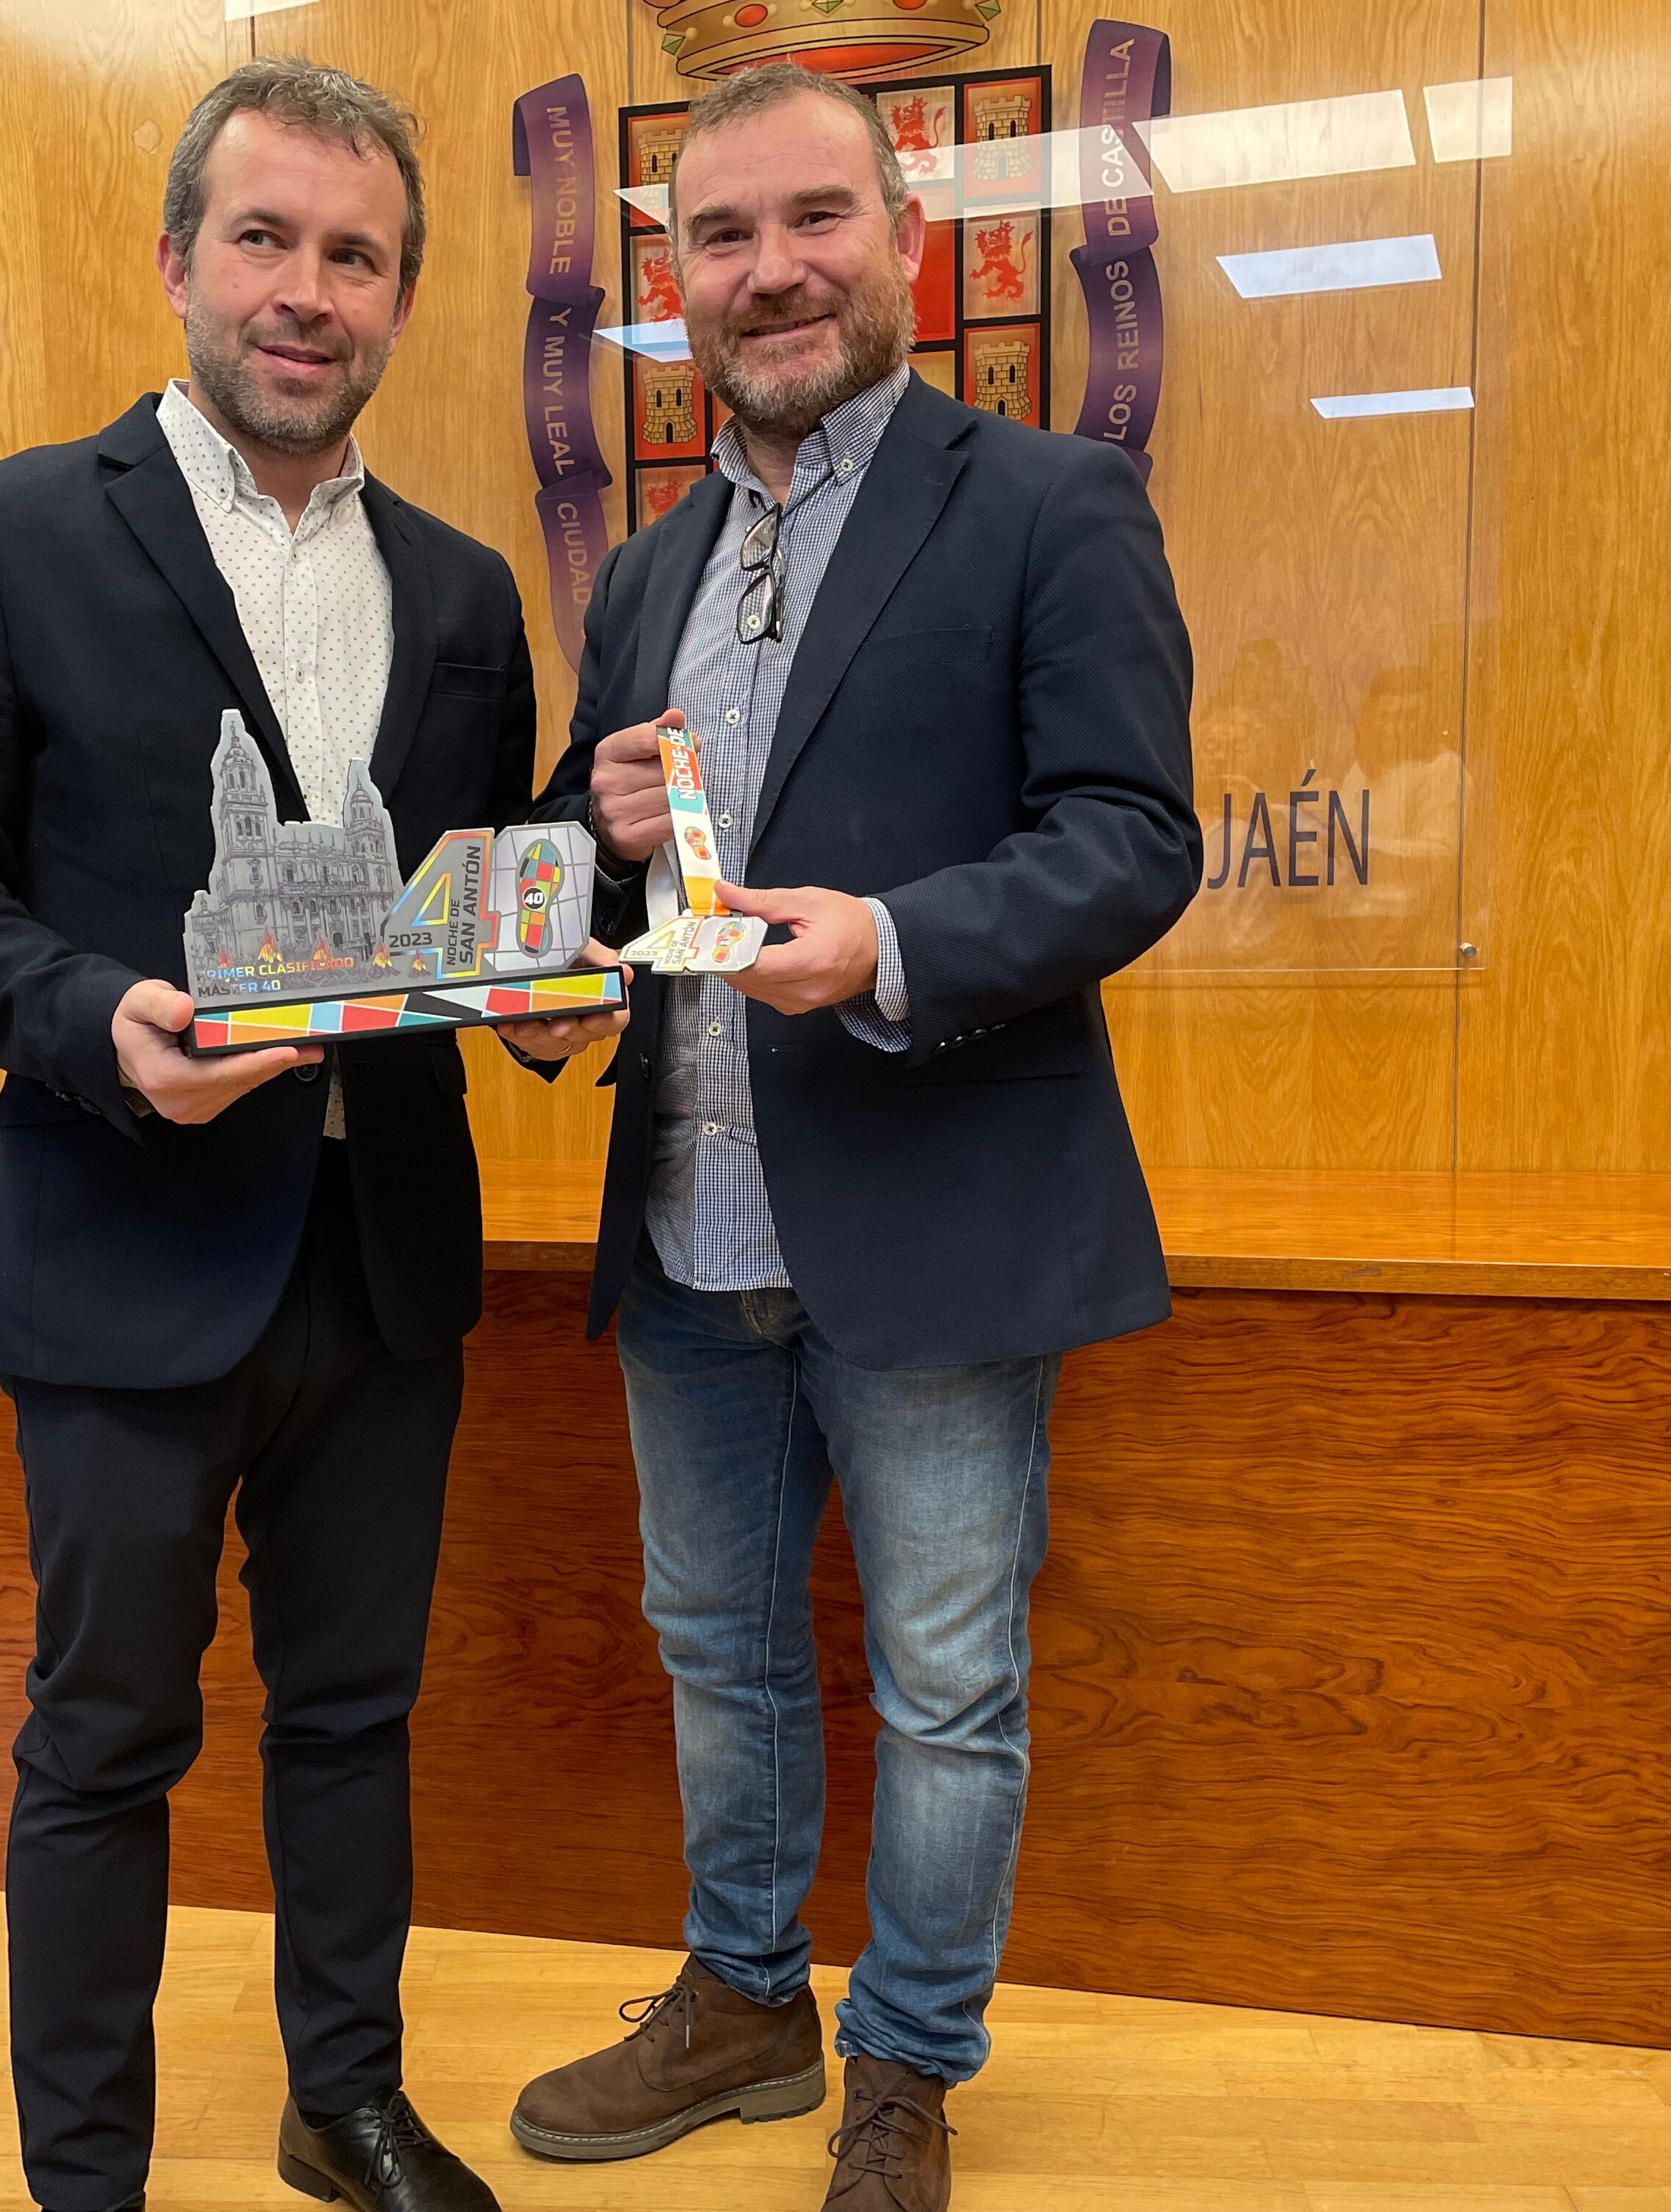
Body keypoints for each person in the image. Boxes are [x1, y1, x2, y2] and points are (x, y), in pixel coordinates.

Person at [0, 58, 620, 2212]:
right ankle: (84, 2176)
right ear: (179, 258)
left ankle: (339, 2103)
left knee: (351, 1723)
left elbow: (476, 883)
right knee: (104, 1744)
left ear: (401, 297)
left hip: (382, 1271)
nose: (307, 291)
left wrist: (568, 911)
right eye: (265, 240)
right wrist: (94, 1020)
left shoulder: (465, 591)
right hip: (123, 1258)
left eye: (354, 256)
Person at [506, 61, 1201, 2212]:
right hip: (690, 1229)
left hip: (939, 1216)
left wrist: (894, 938)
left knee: (948, 1683)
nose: (769, 270)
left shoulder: (1045, 506)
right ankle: (739, 2006)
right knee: (715, 1648)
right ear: (674, 279)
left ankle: (905, 2063)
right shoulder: (652, 567)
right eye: (721, 237)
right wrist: (589, 843)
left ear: (912, 245)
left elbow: (1132, 840)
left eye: (814, 221)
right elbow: (586, 866)